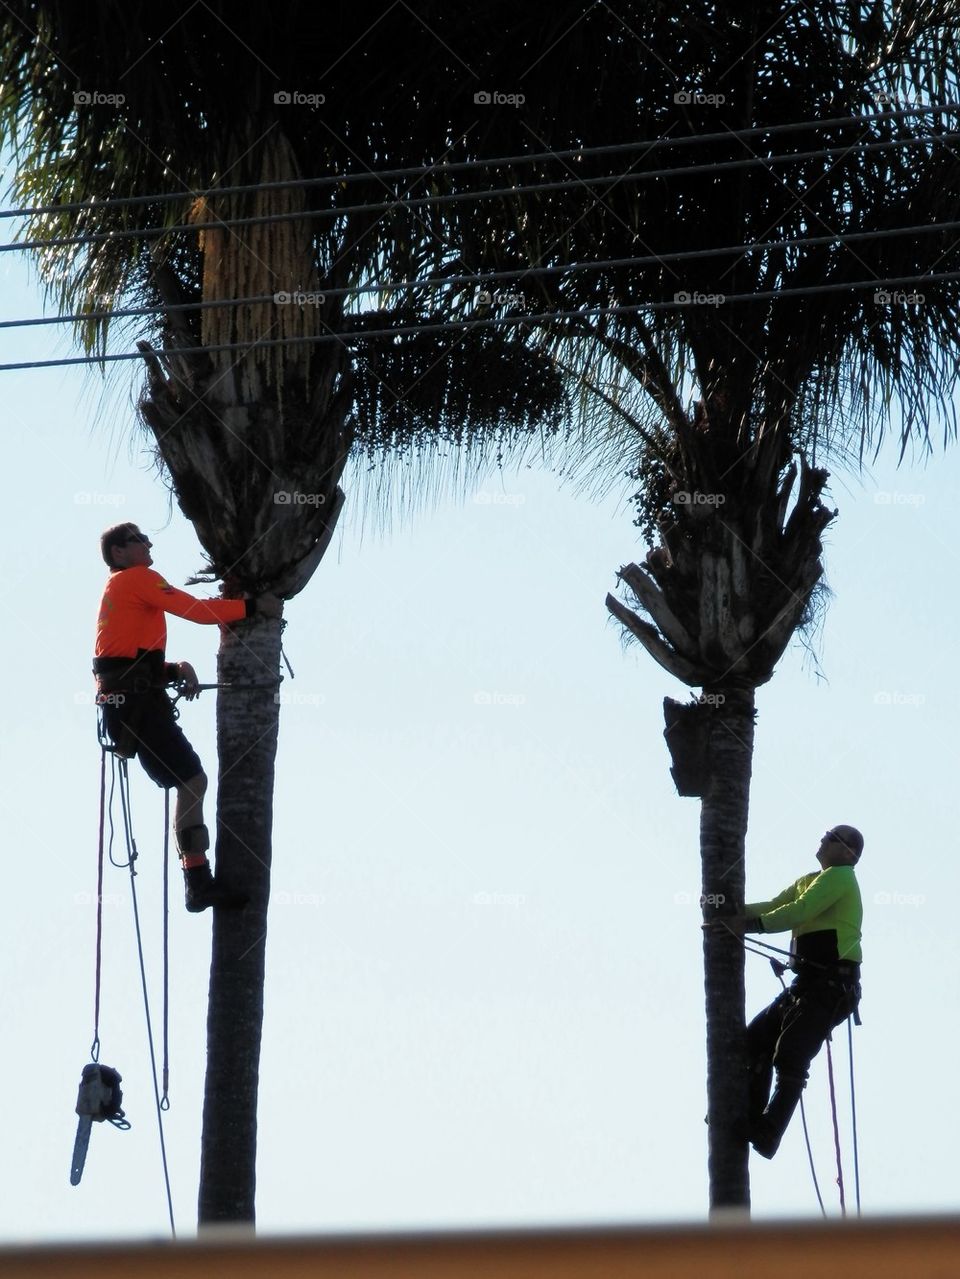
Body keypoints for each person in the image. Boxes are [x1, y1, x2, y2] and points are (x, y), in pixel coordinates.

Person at [92, 522, 282, 912]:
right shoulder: (136, 578)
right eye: (137, 539)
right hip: (136, 705)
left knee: (189, 781)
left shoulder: (120, 592)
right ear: (119, 553)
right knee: (192, 781)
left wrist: (174, 669)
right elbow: (193, 610)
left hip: (130, 704)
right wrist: (250, 607)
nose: (147, 543)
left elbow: (122, 660)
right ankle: (197, 883)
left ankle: (197, 881)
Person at [709, 825, 863, 1159]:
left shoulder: (841, 876)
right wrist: (729, 912)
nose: (822, 840)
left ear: (848, 853)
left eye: (831, 838)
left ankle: (769, 1132)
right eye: (823, 835)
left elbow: (798, 912)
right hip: (807, 984)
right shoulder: (811, 879)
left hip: (833, 986)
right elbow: (775, 905)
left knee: (791, 1055)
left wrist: (745, 925)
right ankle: (749, 1115)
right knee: (753, 1042)